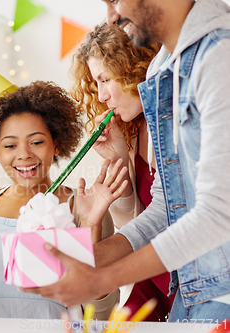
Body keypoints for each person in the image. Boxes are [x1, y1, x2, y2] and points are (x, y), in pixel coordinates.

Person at [21, 0, 230, 321]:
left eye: (115, 0)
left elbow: (217, 213)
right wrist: (85, 258)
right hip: (193, 284)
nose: (111, 16)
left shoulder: (219, 56)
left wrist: (101, 275)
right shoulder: (167, 70)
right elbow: (164, 209)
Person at [0, 81, 128, 319]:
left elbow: (100, 315)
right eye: (10, 145)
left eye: (37, 142)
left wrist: (91, 224)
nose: (24, 154)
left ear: (56, 144)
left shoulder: (86, 206)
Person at [70, 23, 171, 321]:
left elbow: (165, 217)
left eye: (105, 79)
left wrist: (93, 258)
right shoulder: (134, 131)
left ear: (135, 69)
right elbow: (135, 221)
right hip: (152, 276)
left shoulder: (171, 123)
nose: (101, 96)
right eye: (95, 83)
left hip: (185, 273)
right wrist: (118, 162)